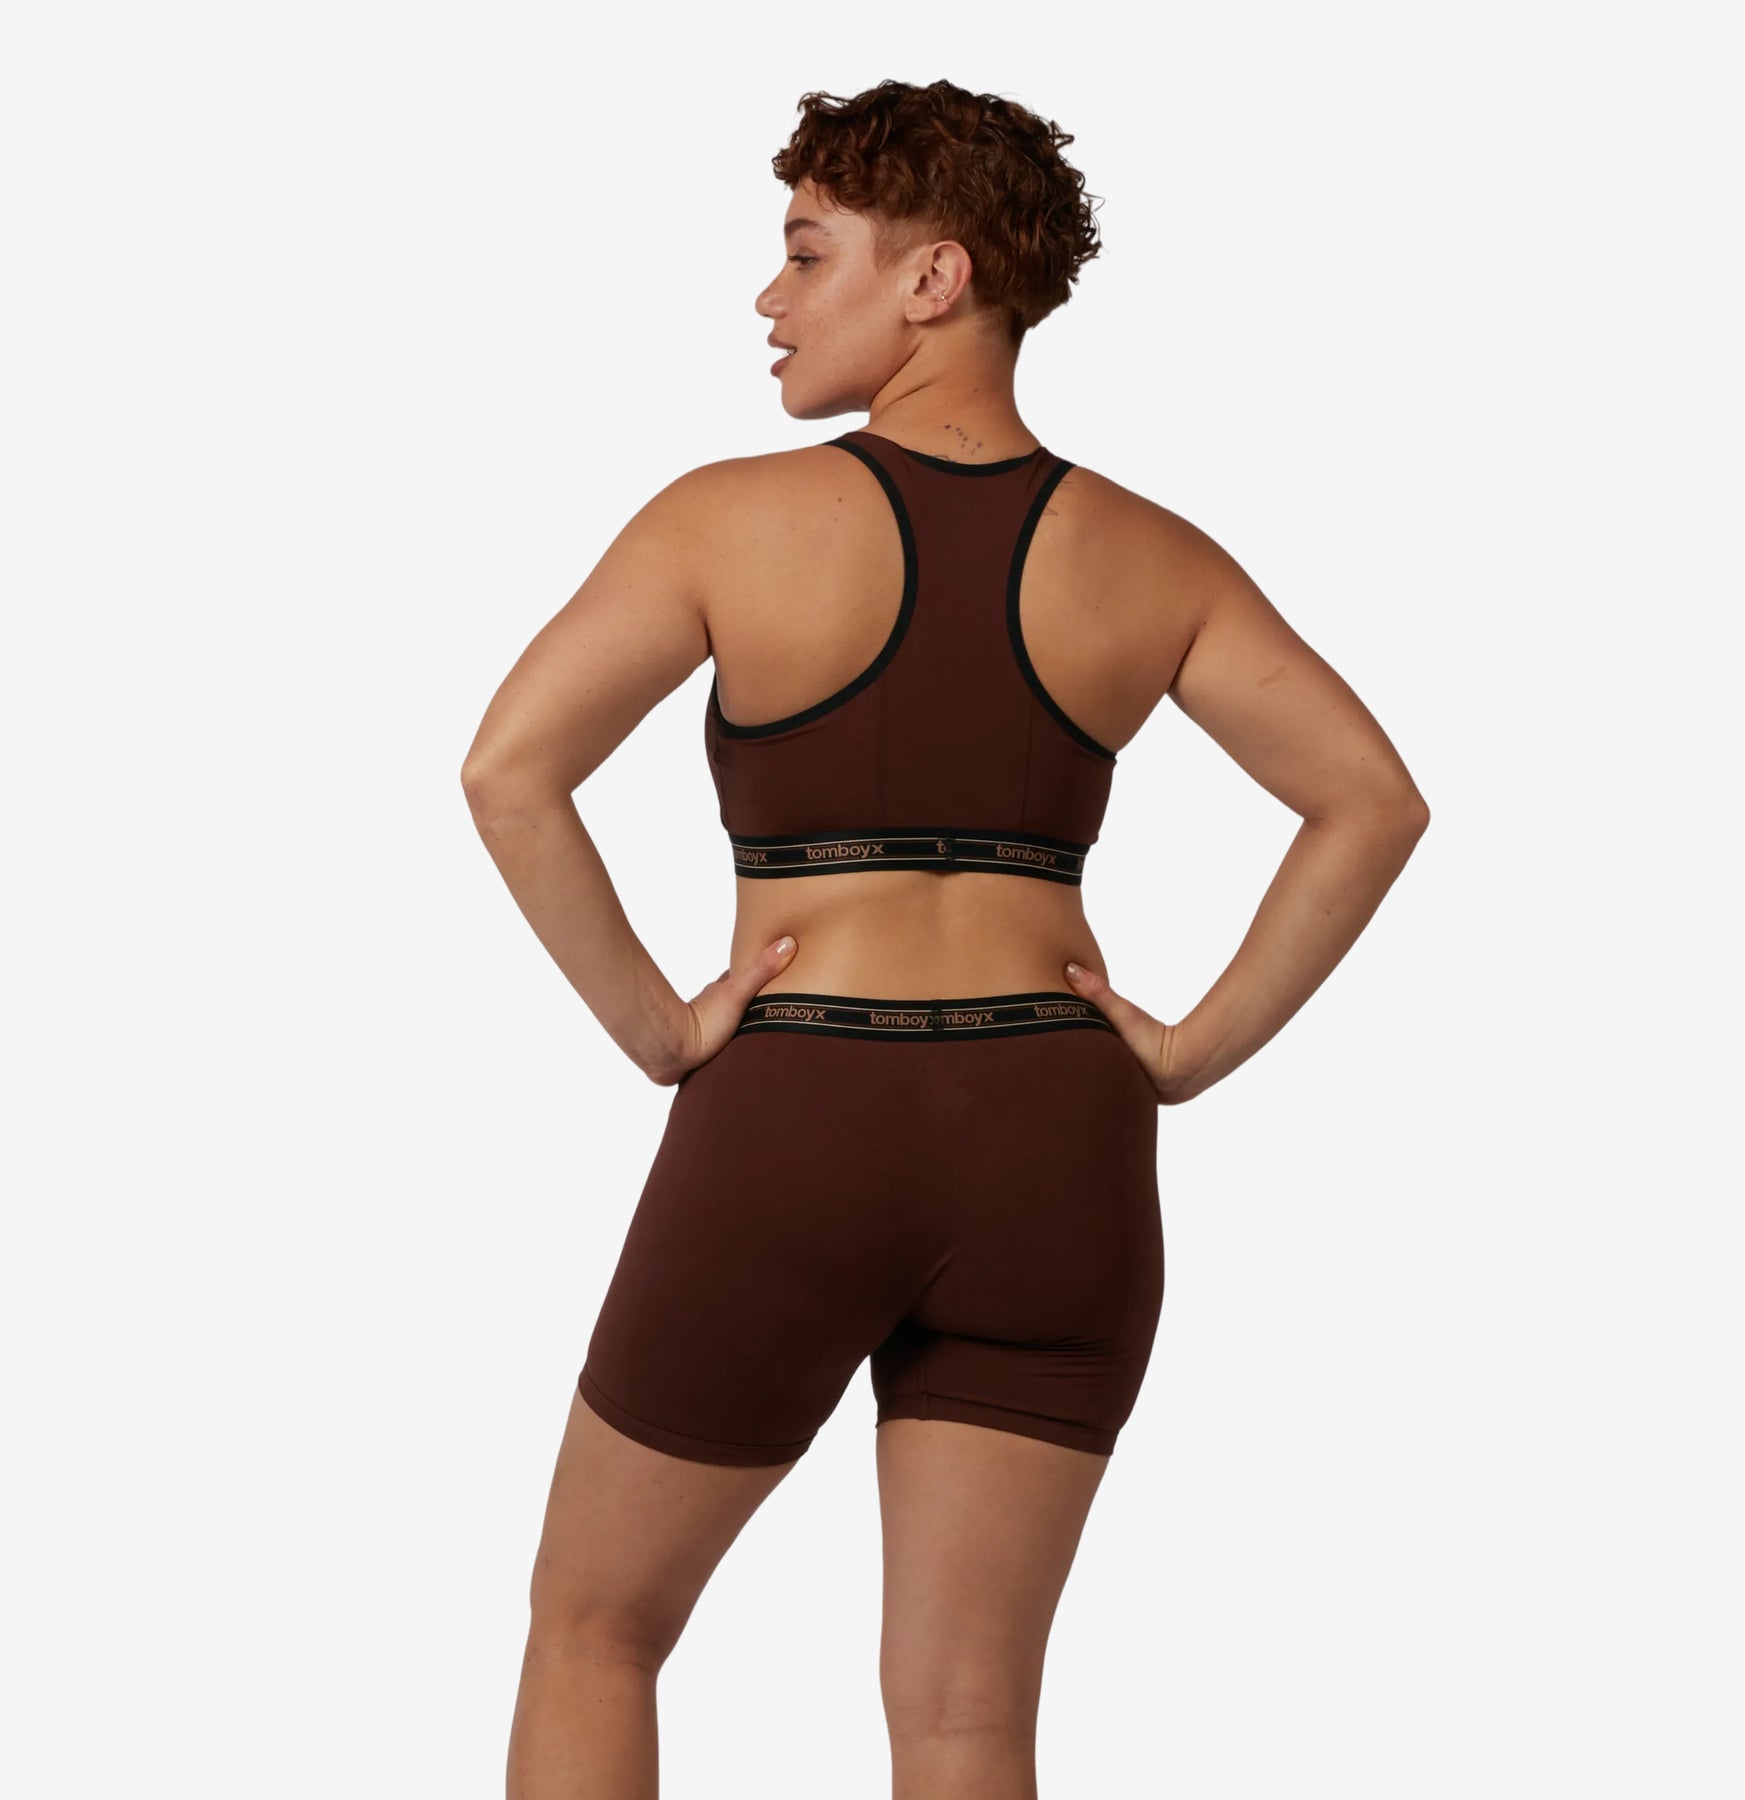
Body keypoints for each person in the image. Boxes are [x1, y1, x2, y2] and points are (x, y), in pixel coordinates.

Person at [461, 76, 1429, 1800]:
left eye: (804, 252)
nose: (767, 297)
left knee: (596, 1626)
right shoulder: (1151, 555)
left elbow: (508, 768)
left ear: (934, 278)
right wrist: (1183, 1052)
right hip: (1059, 1138)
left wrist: (659, 1026)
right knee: (968, 1716)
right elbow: (1370, 799)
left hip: (803, 1116)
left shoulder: (724, 521)